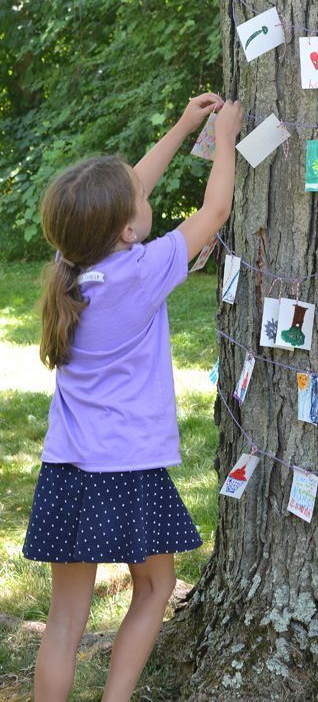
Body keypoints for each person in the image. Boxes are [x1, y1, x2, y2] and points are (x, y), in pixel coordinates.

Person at [22, 93, 244, 702]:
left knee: (64, 620)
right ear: (125, 228)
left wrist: (181, 126)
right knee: (153, 588)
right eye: (140, 206)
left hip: (67, 468)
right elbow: (216, 210)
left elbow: (125, 192)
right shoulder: (142, 272)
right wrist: (223, 135)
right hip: (127, 469)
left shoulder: (74, 262)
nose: (145, 200)